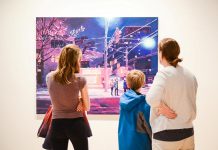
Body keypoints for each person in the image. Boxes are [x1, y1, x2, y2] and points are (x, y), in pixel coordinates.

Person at [146, 38, 198, 150]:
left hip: (166, 132)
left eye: (159, 51)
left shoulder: (164, 73)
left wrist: (161, 108)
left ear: (162, 53)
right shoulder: (190, 75)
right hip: (188, 131)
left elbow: (151, 99)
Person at [44, 44, 91, 150]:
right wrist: (80, 100)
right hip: (76, 124)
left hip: (57, 124)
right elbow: (87, 107)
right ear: (76, 60)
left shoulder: (49, 77)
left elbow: (60, 96)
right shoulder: (80, 79)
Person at [118, 70, 152, 150]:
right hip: (140, 142)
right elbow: (148, 126)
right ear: (143, 83)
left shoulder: (123, 99)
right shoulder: (144, 103)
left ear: (128, 84)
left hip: (124, 140)